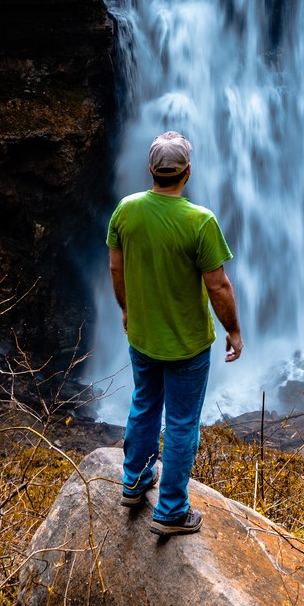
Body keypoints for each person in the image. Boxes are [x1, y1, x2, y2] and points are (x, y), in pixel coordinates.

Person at [108, 130, 243, 535]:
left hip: (143, 336)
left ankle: (134, 481)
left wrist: (127, 309)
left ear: (150, 170)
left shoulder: (126, 211)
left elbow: (116, 267)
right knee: (182, 423)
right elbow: (219, 286)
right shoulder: (200, 222)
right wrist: (233, 331)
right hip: (188, 345)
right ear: (187, 172)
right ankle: (170, 512)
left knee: (144, 404)